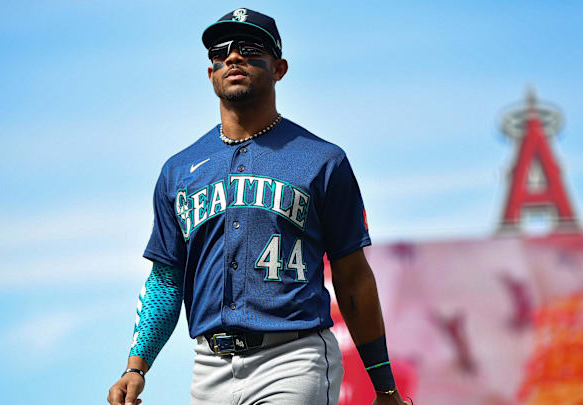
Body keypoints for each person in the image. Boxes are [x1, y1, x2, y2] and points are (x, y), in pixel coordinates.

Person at [107, 8, 409, 405]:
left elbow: (353, 278)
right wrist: (136, 366)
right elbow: (167, 280)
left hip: (293, 356)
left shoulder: (322, 161)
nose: (233, 58)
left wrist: (383, 385)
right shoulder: (178, 170)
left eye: (250, 49)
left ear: (279, 68)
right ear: (210, 72)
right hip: (209, 366)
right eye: (221, 51)